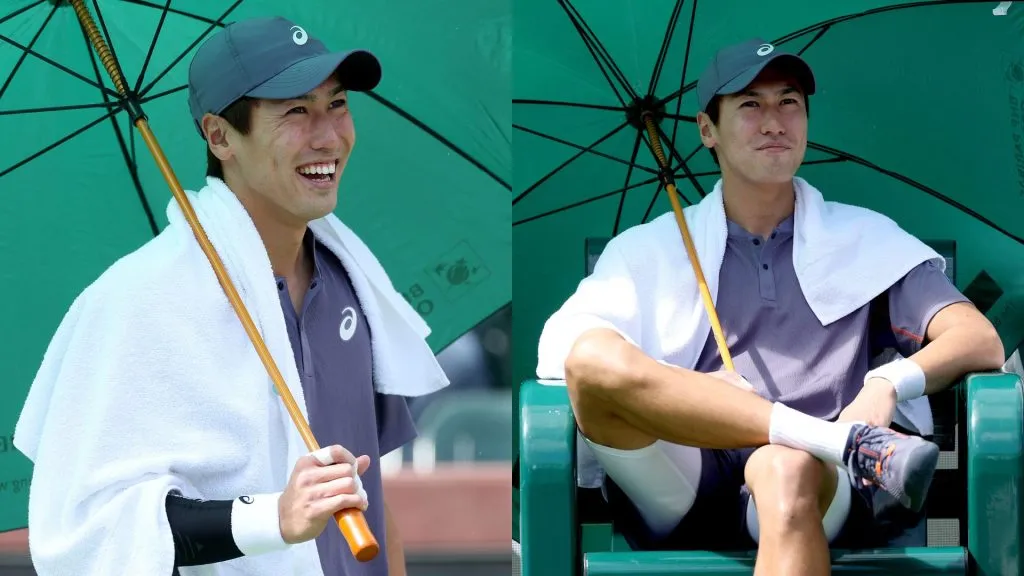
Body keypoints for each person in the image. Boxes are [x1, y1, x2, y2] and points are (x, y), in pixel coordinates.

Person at [535, 38, 1005, 576]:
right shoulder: (650, 249)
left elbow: (978, 339)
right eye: (750, 104)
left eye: (789, 103)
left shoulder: (863, 239)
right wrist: (698, 392)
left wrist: (887, 384)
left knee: (784, 467)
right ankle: (838, 440)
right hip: (689, 476)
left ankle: (826, 444)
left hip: (818, 482)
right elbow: (565, 353)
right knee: (589, 358)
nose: (774, 121)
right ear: (707, 130)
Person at [14, 16, 448, 576]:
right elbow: (92, 531)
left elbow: (370, 496)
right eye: (295, 110)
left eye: (337, 103)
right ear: (220, 136)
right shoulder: (134, 301)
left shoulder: (354, 281)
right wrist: (276, 518)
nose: (328, 134)